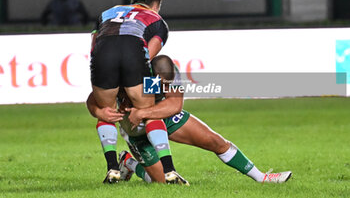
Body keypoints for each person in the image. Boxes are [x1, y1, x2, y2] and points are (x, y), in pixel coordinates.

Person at [87, 55, 292, 184]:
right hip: (136, 130)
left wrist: (143, 112)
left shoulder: (168, 69)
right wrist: (101, 113)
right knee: (160, 183)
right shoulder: (128, 74)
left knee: (215, 141)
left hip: (163, 117)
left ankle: (262, 177)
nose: (166, 87)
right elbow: (92, 100)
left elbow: (175, 104)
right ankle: (128, 163)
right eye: (162, 85)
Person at [89, 0, 177, 183]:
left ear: (134, 0)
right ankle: (169, 170)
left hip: (104, 53)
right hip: (133, 51)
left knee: (107, 110)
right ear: (156, 5)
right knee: (149, 109)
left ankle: (113, 168)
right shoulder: (157, 20)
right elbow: (149, 56)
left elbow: (94, 46)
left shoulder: (107, 13)